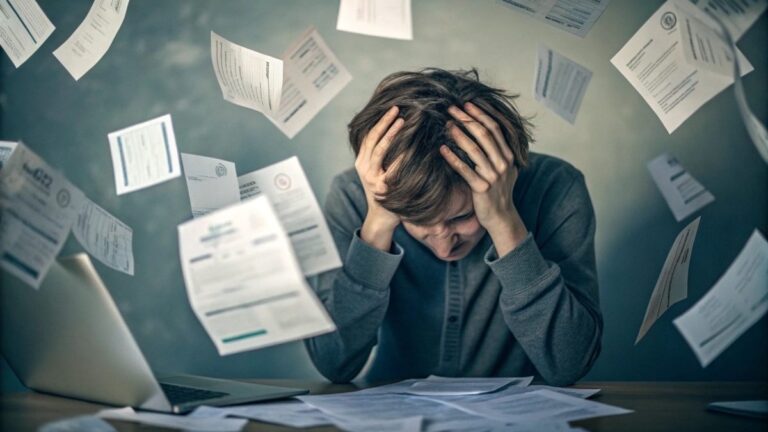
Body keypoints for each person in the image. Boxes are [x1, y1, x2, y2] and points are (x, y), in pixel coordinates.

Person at [306, 68, 601, 386]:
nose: (444, 245)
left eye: (462, 217)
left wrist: (504, 220)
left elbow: (570, 363)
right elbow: (333, 363)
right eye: (418, 220)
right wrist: (378, 223)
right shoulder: (354, 195)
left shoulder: (556, 187)